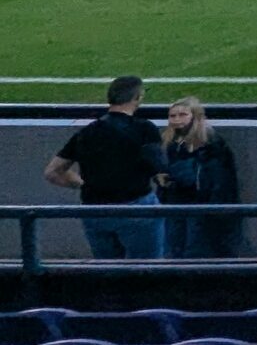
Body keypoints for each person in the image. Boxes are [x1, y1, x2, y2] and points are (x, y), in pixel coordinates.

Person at [44, 76, 166, 260]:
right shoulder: (144, 128)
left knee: (106, 269)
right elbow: (159, 166)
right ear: (137, 98)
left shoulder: (87, 132)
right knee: (148, 268)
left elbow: (52, 172)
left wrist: (84, 184)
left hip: (95, 210)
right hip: (136, 207)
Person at [158, 96, 242, 258]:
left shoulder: (211, 144)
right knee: (175, 250)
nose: (176, 120)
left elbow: (218, 181)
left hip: (202, 207)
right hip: (179, 205)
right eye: (172, 116)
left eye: (182, 115)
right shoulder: (172, 143)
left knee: (195, 251)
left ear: (195, 117)